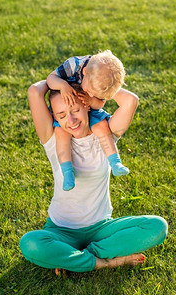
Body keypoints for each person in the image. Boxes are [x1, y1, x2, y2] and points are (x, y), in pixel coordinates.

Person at [19, 80, 168, 275]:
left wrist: (91, 87)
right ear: (54, 118)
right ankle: (106, 262)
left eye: (75, 110)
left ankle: (75, 257)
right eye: (61, 115)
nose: (70, 121)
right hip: (60, 230)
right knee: (30, 243)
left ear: (86, 104)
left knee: (157, 226)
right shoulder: (52, 140)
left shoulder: (106, 133)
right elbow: (34, 91)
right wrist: (61, 82)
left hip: (101, 229)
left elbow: (130, 101)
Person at [46, 50, 129, 191]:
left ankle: (115, 163)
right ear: (84, 72)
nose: (91, 94)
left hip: (88, 109)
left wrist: (91, 100)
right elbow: (50, 78)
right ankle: (67, 173)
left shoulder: (102, 80)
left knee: (102, 127)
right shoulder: (73, 65)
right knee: (61, 135)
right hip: (67, 108)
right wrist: (62, 85)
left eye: (94, 93)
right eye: (90, 90)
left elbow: (99, 104)